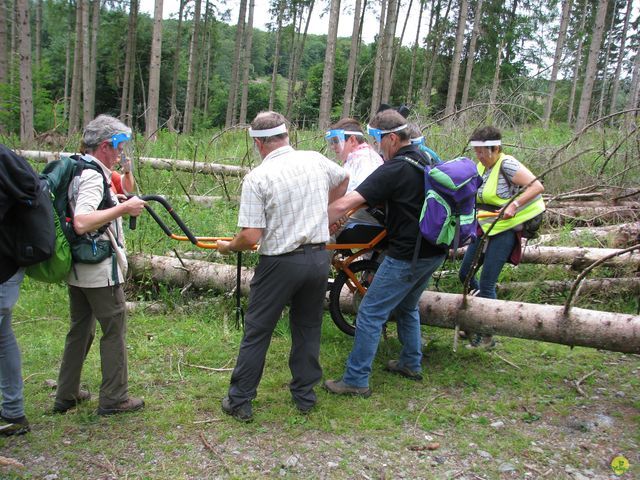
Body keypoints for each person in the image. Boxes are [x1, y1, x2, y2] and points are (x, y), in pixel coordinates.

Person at [217, 111, 349, 421]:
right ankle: (305, 395)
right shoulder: (315, 159)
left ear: (259, 144)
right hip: (318, 259)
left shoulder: (258, 177)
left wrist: (228, 247)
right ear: (286, 137)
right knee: (307, 326)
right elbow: (343, 179)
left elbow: (250, 237)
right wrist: (323, 213)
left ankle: (240, 400)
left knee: (258, 330)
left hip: (280, 263)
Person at [323, 109, 447, 397]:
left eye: (379, 140)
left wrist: (312, 218)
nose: (378, 147)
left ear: (392, 138)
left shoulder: (394, 169)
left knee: (370, 312)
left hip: (407, 254)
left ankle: (355, 380)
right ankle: (410, 363)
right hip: (435, 250)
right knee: (406, 306)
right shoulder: (425, 157)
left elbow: (346, 204)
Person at [53, 115, 147, 415]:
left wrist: (112, 201)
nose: (120, 153)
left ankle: (66, 393)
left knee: (80, 329)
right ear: (105, 146)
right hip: (98, 271)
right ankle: (115, 398)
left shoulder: (79, 167)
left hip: (79, 268)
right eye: (118, 147)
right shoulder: (93, 174)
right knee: (114, 330)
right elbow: (81, 221)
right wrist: (123, 206)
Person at [458, 126, 545, 349]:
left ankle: (487, 335)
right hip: (485, 228)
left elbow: (537, 186)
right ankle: (475, 318)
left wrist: (514, 205)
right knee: (465, 272)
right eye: (475, 151)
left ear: (495, 148)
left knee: (487, 282)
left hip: (505, 230)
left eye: (482, 151)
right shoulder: (480, 167)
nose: (478, 156)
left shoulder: (507, 164)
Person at [0, 146, 40, 436]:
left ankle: (13, 411)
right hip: (11, 266)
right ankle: (13, 411)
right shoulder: (10, 163)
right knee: (4, 338)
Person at [325, 118, 384, 242]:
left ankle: (320, 261)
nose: (332, 146)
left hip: (367, 214)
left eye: (336, 141)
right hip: (356, 211)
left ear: (352, 140)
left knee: (320, 234)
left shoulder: (367, 159)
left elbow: (361, 196)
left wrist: (337, 217)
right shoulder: (355, 158)